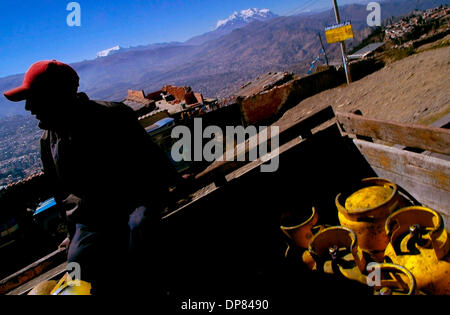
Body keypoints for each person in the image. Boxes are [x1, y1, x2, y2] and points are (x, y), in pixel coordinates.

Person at [3, 60, 181, 295]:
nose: (28, 108)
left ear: (57, 96)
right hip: (91, 219)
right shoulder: (49, 141)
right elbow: (61, 194)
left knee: (140, 233)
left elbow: (150, 157)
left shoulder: (113, 116)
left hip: (132, 203)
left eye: (34, 99)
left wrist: (173, 184)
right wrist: (72, 234)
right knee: (77, 266)